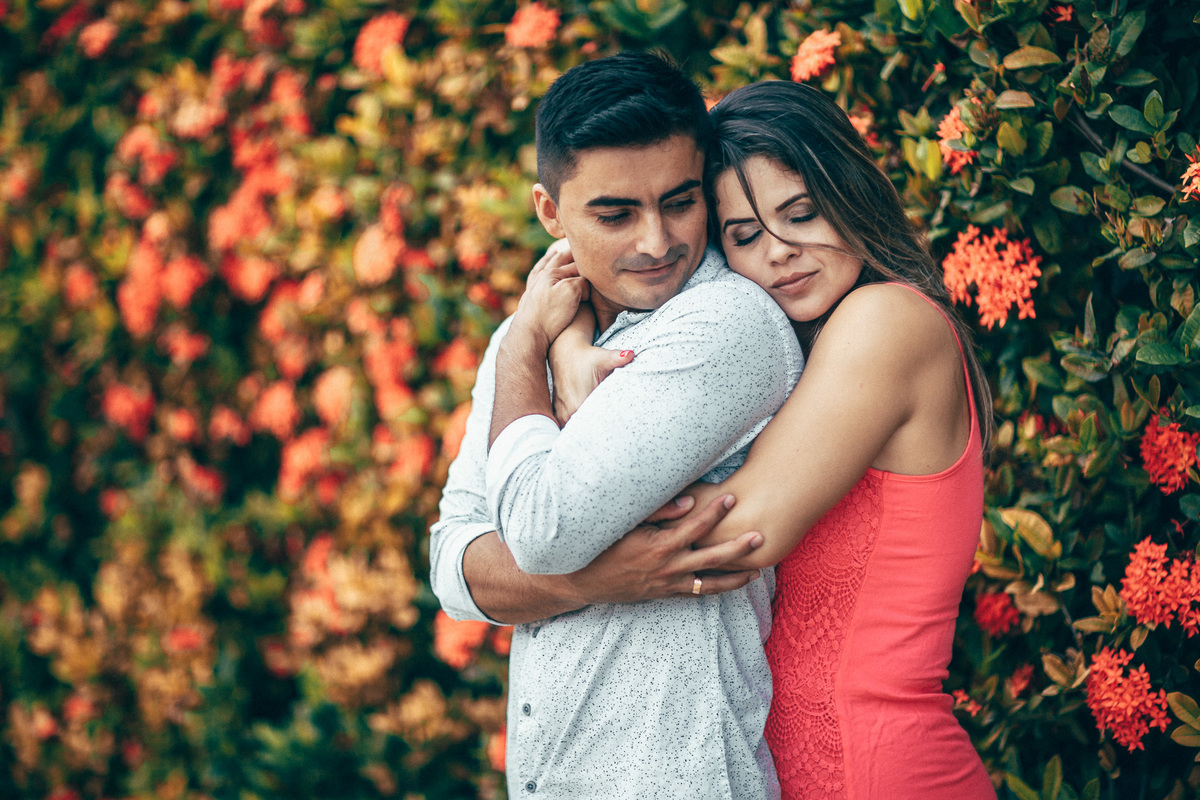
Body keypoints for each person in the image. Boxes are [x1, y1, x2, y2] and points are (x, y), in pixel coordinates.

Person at [516, 81, 998, 799]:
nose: (779, 253)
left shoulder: (886, 321)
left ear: (849, 192)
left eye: (801, 214)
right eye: (743, 235)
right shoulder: (816, 345)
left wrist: (546, 363)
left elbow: (730, 533)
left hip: (881, 771)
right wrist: (572, 339)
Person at [429, 52, 803, 799]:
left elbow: (538, 530)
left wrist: (531, 347)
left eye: (681, 201)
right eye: (615, 214)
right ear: (549, 213)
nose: (657, 241)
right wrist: (600, 581)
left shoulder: (725, 325)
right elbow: (453, 563)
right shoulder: (526, 339)